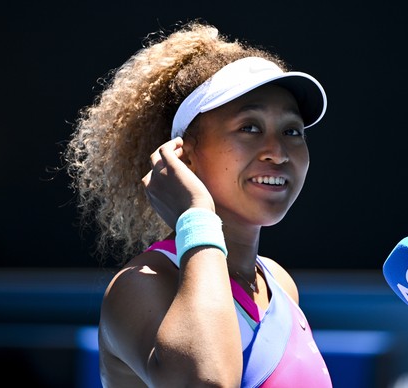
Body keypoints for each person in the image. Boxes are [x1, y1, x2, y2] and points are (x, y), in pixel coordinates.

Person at [64, 20, 332, 387]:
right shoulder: (140, 286)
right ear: (182, 158)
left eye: (292, 131)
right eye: (249, 127)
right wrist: (196, 215)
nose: (277, 152)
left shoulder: (281, 285)